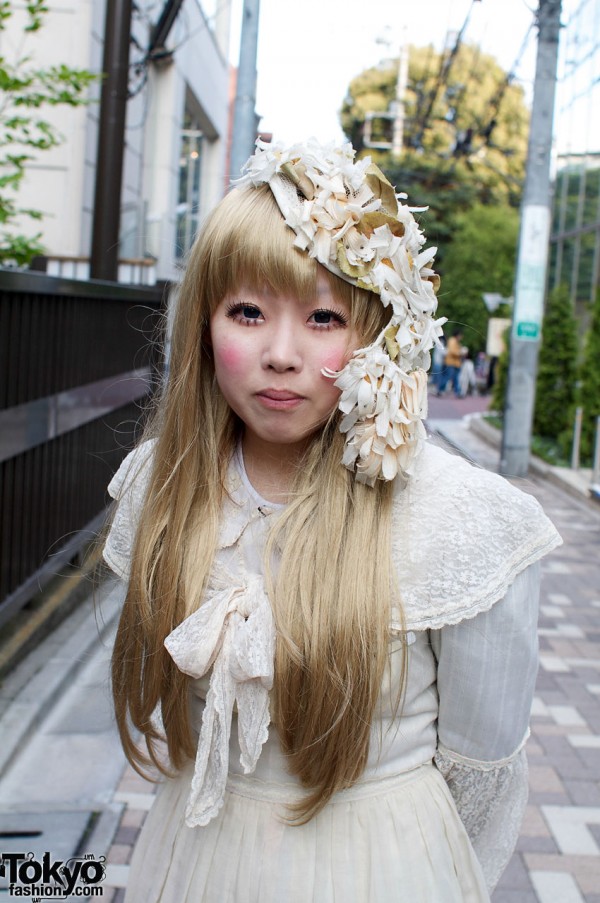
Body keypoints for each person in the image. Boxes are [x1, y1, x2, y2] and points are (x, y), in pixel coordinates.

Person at [103, 139, 561, 903]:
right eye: (247, 311)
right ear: (203, 327)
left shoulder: (458, 517)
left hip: (386, 870)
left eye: (324, 316)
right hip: (194, 856)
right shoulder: (166, 483)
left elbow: (482, 769)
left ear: (380, 336)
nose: (280, 354)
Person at [437, 328, 464, 397]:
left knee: (455, 378)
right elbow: (452, 351)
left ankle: (457, 392)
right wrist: (460, 353)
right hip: (450, 363)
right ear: (458, 335)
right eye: (460, 335)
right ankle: (440, 390)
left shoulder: (454, 341)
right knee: (448, 377)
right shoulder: (452, 341)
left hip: (454, 363)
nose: (461, 337)